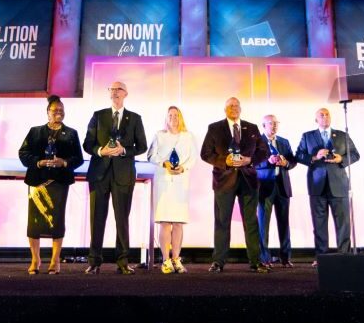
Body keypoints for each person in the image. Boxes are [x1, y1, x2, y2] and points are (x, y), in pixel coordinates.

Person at [82, 80, 147, 275]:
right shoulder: (98, 116)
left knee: (122, 219)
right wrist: (100, 151)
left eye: (119, 89)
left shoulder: (135, 118)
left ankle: (123, 261)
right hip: (99, 174)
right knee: (96, 218)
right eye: (112, 89)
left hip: (123, 175)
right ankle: (94, 262)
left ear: (126, 93)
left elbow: (142, 146)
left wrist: (124, 150)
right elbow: (87, 144)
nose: (115, 92)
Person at [200, 97, 270, 272]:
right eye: (230, 105)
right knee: (222, 222)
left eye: (237, 105)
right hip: (224, 182)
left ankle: (256, 261)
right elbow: (205, 153)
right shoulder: (214, 128)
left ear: (241, 108)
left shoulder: (252, 128)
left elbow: (264, 151)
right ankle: (218, 262)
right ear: (225, 109)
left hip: (248, 181)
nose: (234, 108)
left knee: (251, 222)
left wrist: (250, 160)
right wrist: (225, 161)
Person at [17, 95, 83, 275]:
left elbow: (78, 158)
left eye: (61, 110)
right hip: (37, 183)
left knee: (57, 220)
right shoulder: (35, 131)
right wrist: (38, 162)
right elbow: (23, 153)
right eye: (55, 110)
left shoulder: (71, 133)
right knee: (34, 222)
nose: (58, 113)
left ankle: (55, 261)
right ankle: (35, 259)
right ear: (47, 112)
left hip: (59, 183)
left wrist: (64, 162)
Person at [296, 107, 361, 265]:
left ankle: (344, 256)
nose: (324, 117)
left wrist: (341, 159)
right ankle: (322, 258)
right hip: (317, 185)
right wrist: (314, 156)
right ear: (316, 119)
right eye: (321, 115)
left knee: (343, 223)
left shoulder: (342, 135)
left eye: (327, 114)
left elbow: (355, 154)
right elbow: (298, 155)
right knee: (319, 224)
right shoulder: (307, 136)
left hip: (339, 185)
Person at [147, 106, 196, 274]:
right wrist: (164, 163)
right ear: (166, 118)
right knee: (165, 222)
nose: (173, 118)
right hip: (164, 183)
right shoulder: (159, 136)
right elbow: (151, 155)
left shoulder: (188, 136)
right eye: (170, 115)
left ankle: (176, 258)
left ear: (180, 117)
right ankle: (165, 260)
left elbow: (193, 158)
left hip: (181, 182)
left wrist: (183, 167)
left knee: (178, 223)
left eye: (176, 115)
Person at [255, 114, 297, 267]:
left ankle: (286, 258)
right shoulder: (257, 142)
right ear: (264, 125)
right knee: (263, 224)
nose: (274, 126)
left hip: (282, 186)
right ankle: (264, 259)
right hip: (265, 187)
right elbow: (252, 163)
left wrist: (286, 163)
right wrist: (268, 161)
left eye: (276, 123)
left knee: (284, 223)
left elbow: (293, 161)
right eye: (270, 123)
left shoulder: (284, 142)